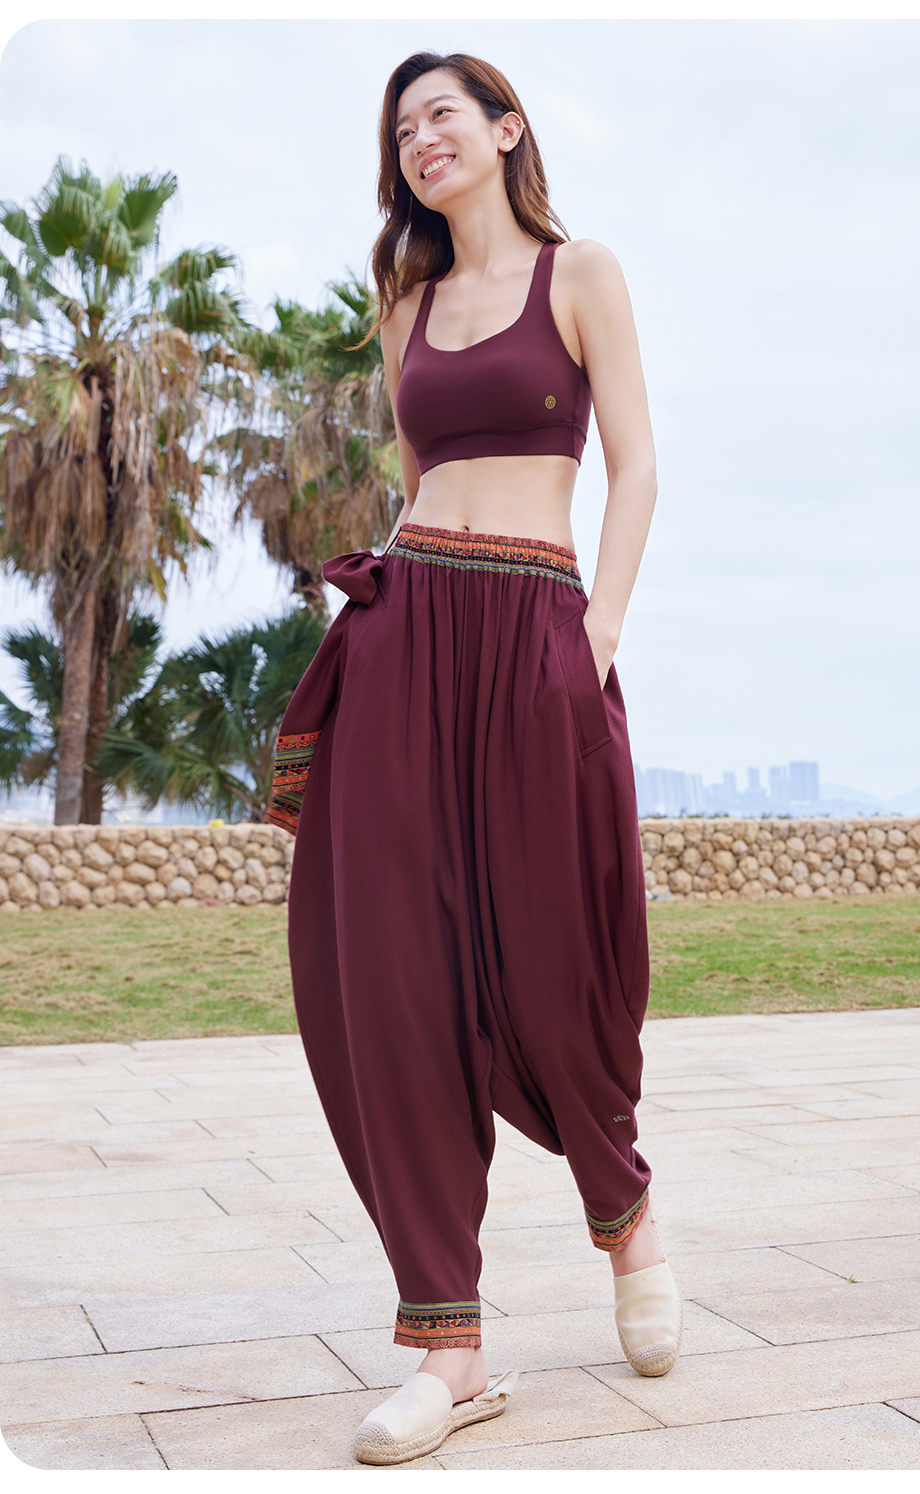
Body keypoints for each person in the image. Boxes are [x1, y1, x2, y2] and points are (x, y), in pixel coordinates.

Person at [267, 50, 681, 1467]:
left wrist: (597, 631)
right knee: (396, 980)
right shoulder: (406, 308)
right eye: (401, 130)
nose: (419, 139)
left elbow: (636, 463)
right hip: (410, 637)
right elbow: (414, 482)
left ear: (507, 128)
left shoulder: (583, 275)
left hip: (540, 632)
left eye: (441, 113)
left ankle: (623, 1210)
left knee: (560, 960)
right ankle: (450, 1349)